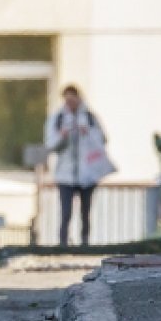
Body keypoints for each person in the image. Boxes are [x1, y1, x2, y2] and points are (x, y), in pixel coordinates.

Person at [44, 85, 106, 247]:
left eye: (73, 98)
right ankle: (63, 243)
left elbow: (102, 140)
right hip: (65, 174)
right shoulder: (58, 118)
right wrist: (62, 135)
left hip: (87, 173)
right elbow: (50, 144)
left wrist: (87, 132)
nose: (70, 102)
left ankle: (85, 242)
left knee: (86, 212)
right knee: (66, 212)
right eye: (67, 99)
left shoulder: (90, 118)